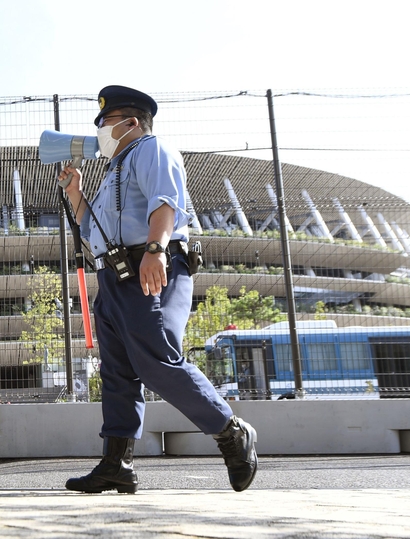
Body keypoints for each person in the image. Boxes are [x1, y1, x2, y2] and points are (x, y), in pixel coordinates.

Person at [60, 86, 258, 493]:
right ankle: (117, 463)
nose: (99, 131)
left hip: (149, 263)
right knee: (117, 372)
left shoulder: (152, 149)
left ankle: (231, 431)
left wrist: (156, 248)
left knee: (156, 358)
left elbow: (165, 201)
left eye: (104, 123)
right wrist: (75, 192)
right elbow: (91, 227)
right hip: (113, 275)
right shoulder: (114, 169)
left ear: (130, 123)